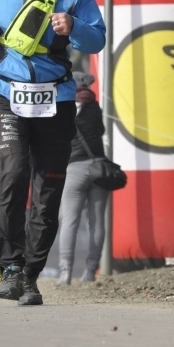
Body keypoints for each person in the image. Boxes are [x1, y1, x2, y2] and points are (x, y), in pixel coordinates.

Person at [0, 0, 106, 305]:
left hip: (56, 97)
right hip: (6, 92)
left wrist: (74, 28)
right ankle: (10, 266)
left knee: (49, 186)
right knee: (12, 173)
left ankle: (31, 275)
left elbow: (96, 38)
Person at [57, 71, 108, 286]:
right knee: (96, 222)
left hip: (74, 169)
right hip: (97, 167)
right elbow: (101, 130)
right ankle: (90, 271)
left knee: (69, 221)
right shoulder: (94, 106)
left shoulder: (63, 106)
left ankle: (65, 273)